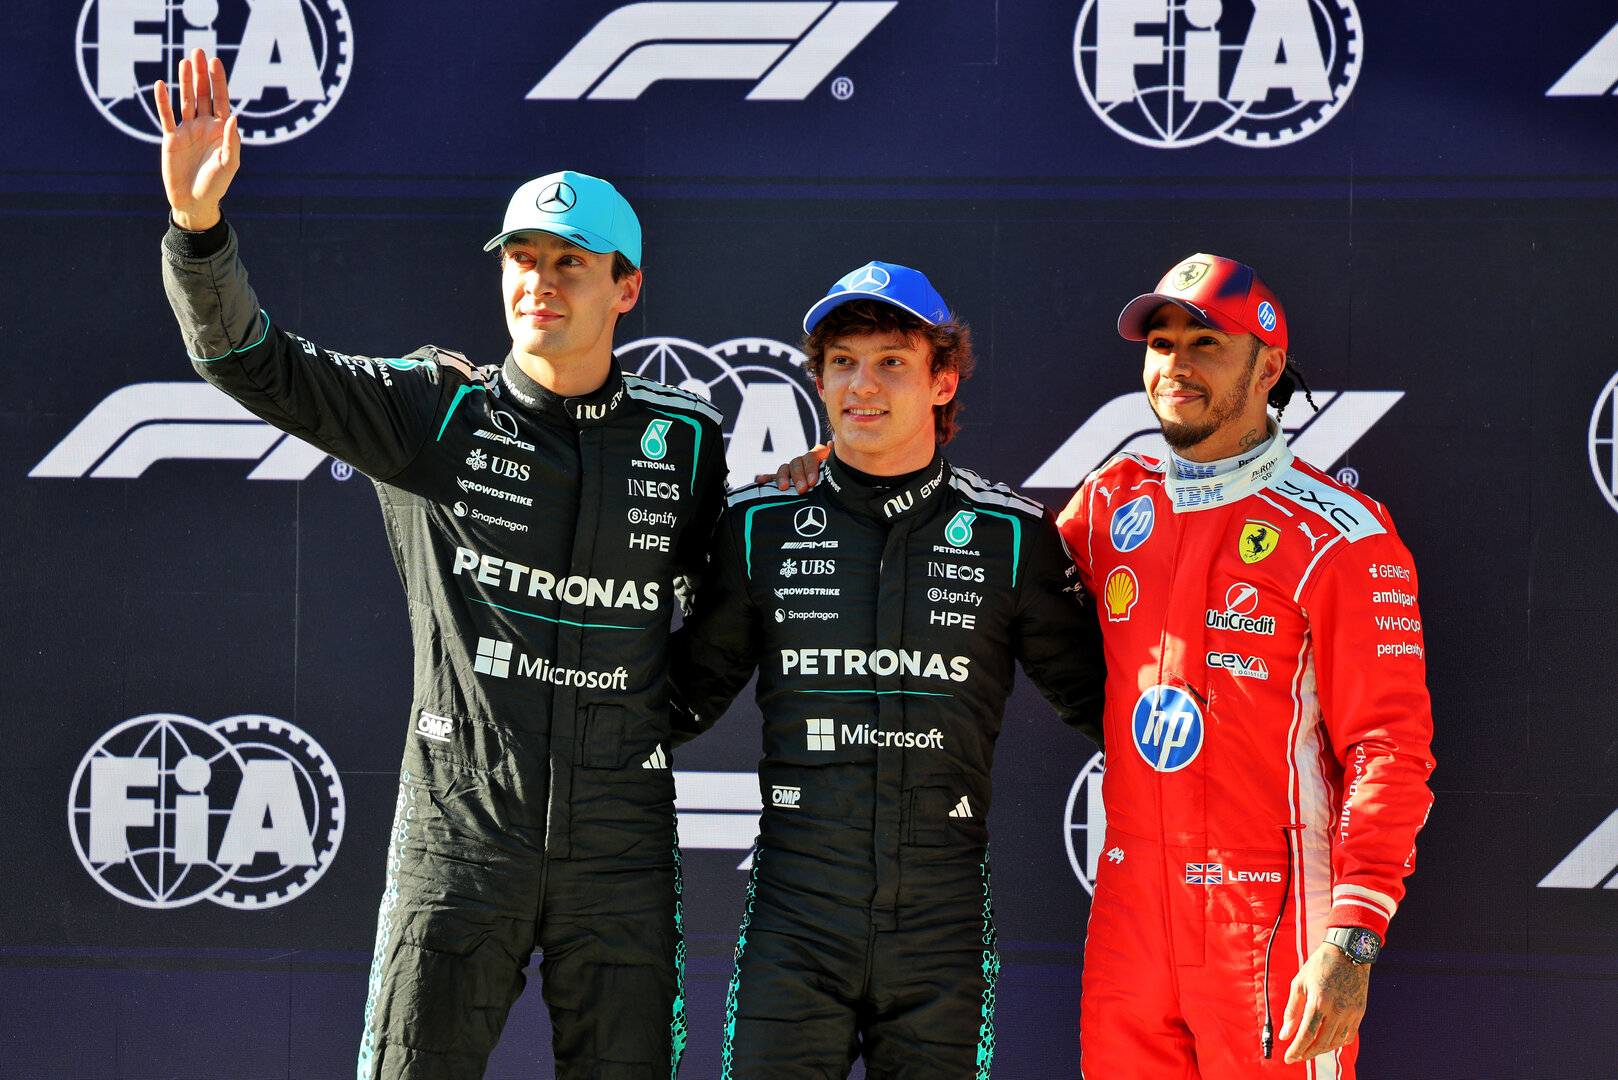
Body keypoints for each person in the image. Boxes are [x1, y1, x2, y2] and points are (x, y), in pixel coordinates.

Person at [154, 51, 726, 1080]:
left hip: (621, 847)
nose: (539, 282)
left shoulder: (684, 440)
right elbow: (254, 363)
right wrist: (199, 232)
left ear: (626, 286)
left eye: (571, 263)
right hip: (462, 833)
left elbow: (730, 614)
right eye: (522, 258)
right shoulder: (437, 409)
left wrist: (640, 723)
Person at [668, 262, 1107, 1079]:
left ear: (943, 381)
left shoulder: (1011, 535)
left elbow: (1107, 707)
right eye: (842, 362)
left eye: (892, 362)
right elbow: (675, 704)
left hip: (942, 927)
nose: (861, 384)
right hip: (794, 917)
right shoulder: (757, 525)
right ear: (819, 380)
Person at [1056, 254, 1435, 1078]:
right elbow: (995, 576)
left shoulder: (1342, 536)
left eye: (1205, 343)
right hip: (1128, 915)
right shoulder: (1111, 502)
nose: (1176, 365)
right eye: (1161, 344)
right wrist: (835, 475)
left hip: (1268, 918)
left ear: (1268, 367)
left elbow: (1390, 751)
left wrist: (1353, 938)